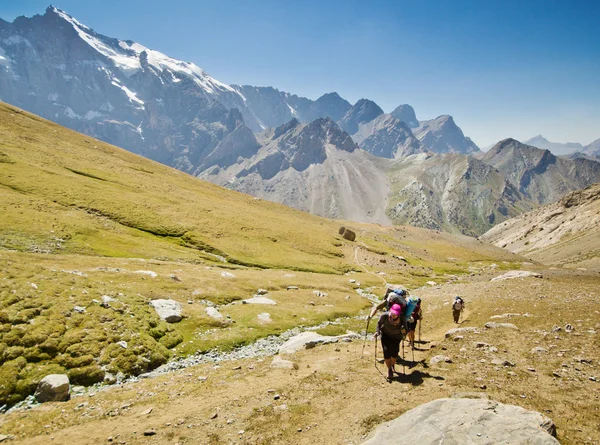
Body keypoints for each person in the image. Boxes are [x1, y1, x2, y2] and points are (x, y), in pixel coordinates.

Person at [375, 303, 405, 381]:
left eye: (395, 314)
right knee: (386, 352)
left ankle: (392, 365)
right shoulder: (384, 316)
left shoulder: (402, 318)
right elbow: (379, 324)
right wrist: (377, 332)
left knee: (394, 354)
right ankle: (389, 370)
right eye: (392, 313)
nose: (393, 315)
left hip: (396, 337)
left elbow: (406, 329)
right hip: (385, 336)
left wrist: (404, 331)